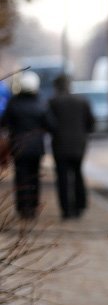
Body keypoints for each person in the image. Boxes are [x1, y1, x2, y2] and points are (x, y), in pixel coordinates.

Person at [45, 74, 95, 219]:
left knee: (62, 177)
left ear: (57, 86)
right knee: (78, 173)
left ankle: (66, 209)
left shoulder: (53, 102)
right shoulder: (82, 101)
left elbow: (48, 124)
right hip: (79, 144)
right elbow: (91, 124)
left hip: (60, 145)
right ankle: (80, 205)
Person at [0, 71, 47, 218]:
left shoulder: (14, 103)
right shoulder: (40, 103)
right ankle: (33, 206)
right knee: (34, 177)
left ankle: (23, 207)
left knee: (21, 177)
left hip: (19, 146)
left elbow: (4, 123)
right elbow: (50, 123)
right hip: (36, 148)